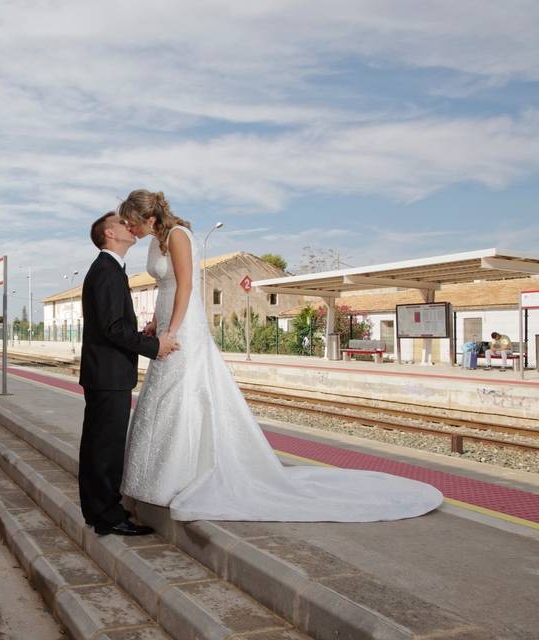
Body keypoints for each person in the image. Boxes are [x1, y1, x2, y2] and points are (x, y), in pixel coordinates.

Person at [117, 189, 443, 522]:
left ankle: (180, 476)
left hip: (185, 326)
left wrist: (172, 329)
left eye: (132, 223)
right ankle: (157, 480)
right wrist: (156, 322)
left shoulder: (178, 236)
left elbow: (185, 286)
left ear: (150, 218)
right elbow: (165, 287)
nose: (131, 229)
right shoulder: (156, 241)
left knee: (181, 394)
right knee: (163, 396)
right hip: (167, 321)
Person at [78, 212, 179, 536]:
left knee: (99, 445)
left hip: (105, 373)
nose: (130, 225)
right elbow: (112, 327)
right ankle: (107, 517)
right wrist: (154, 347)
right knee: (104, 447)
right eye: (123, 223)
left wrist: (144, 334)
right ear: (110, 233)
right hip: (107, 374)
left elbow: (114, 325)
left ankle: (101, 510)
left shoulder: (109, 269)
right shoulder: (106, 271)